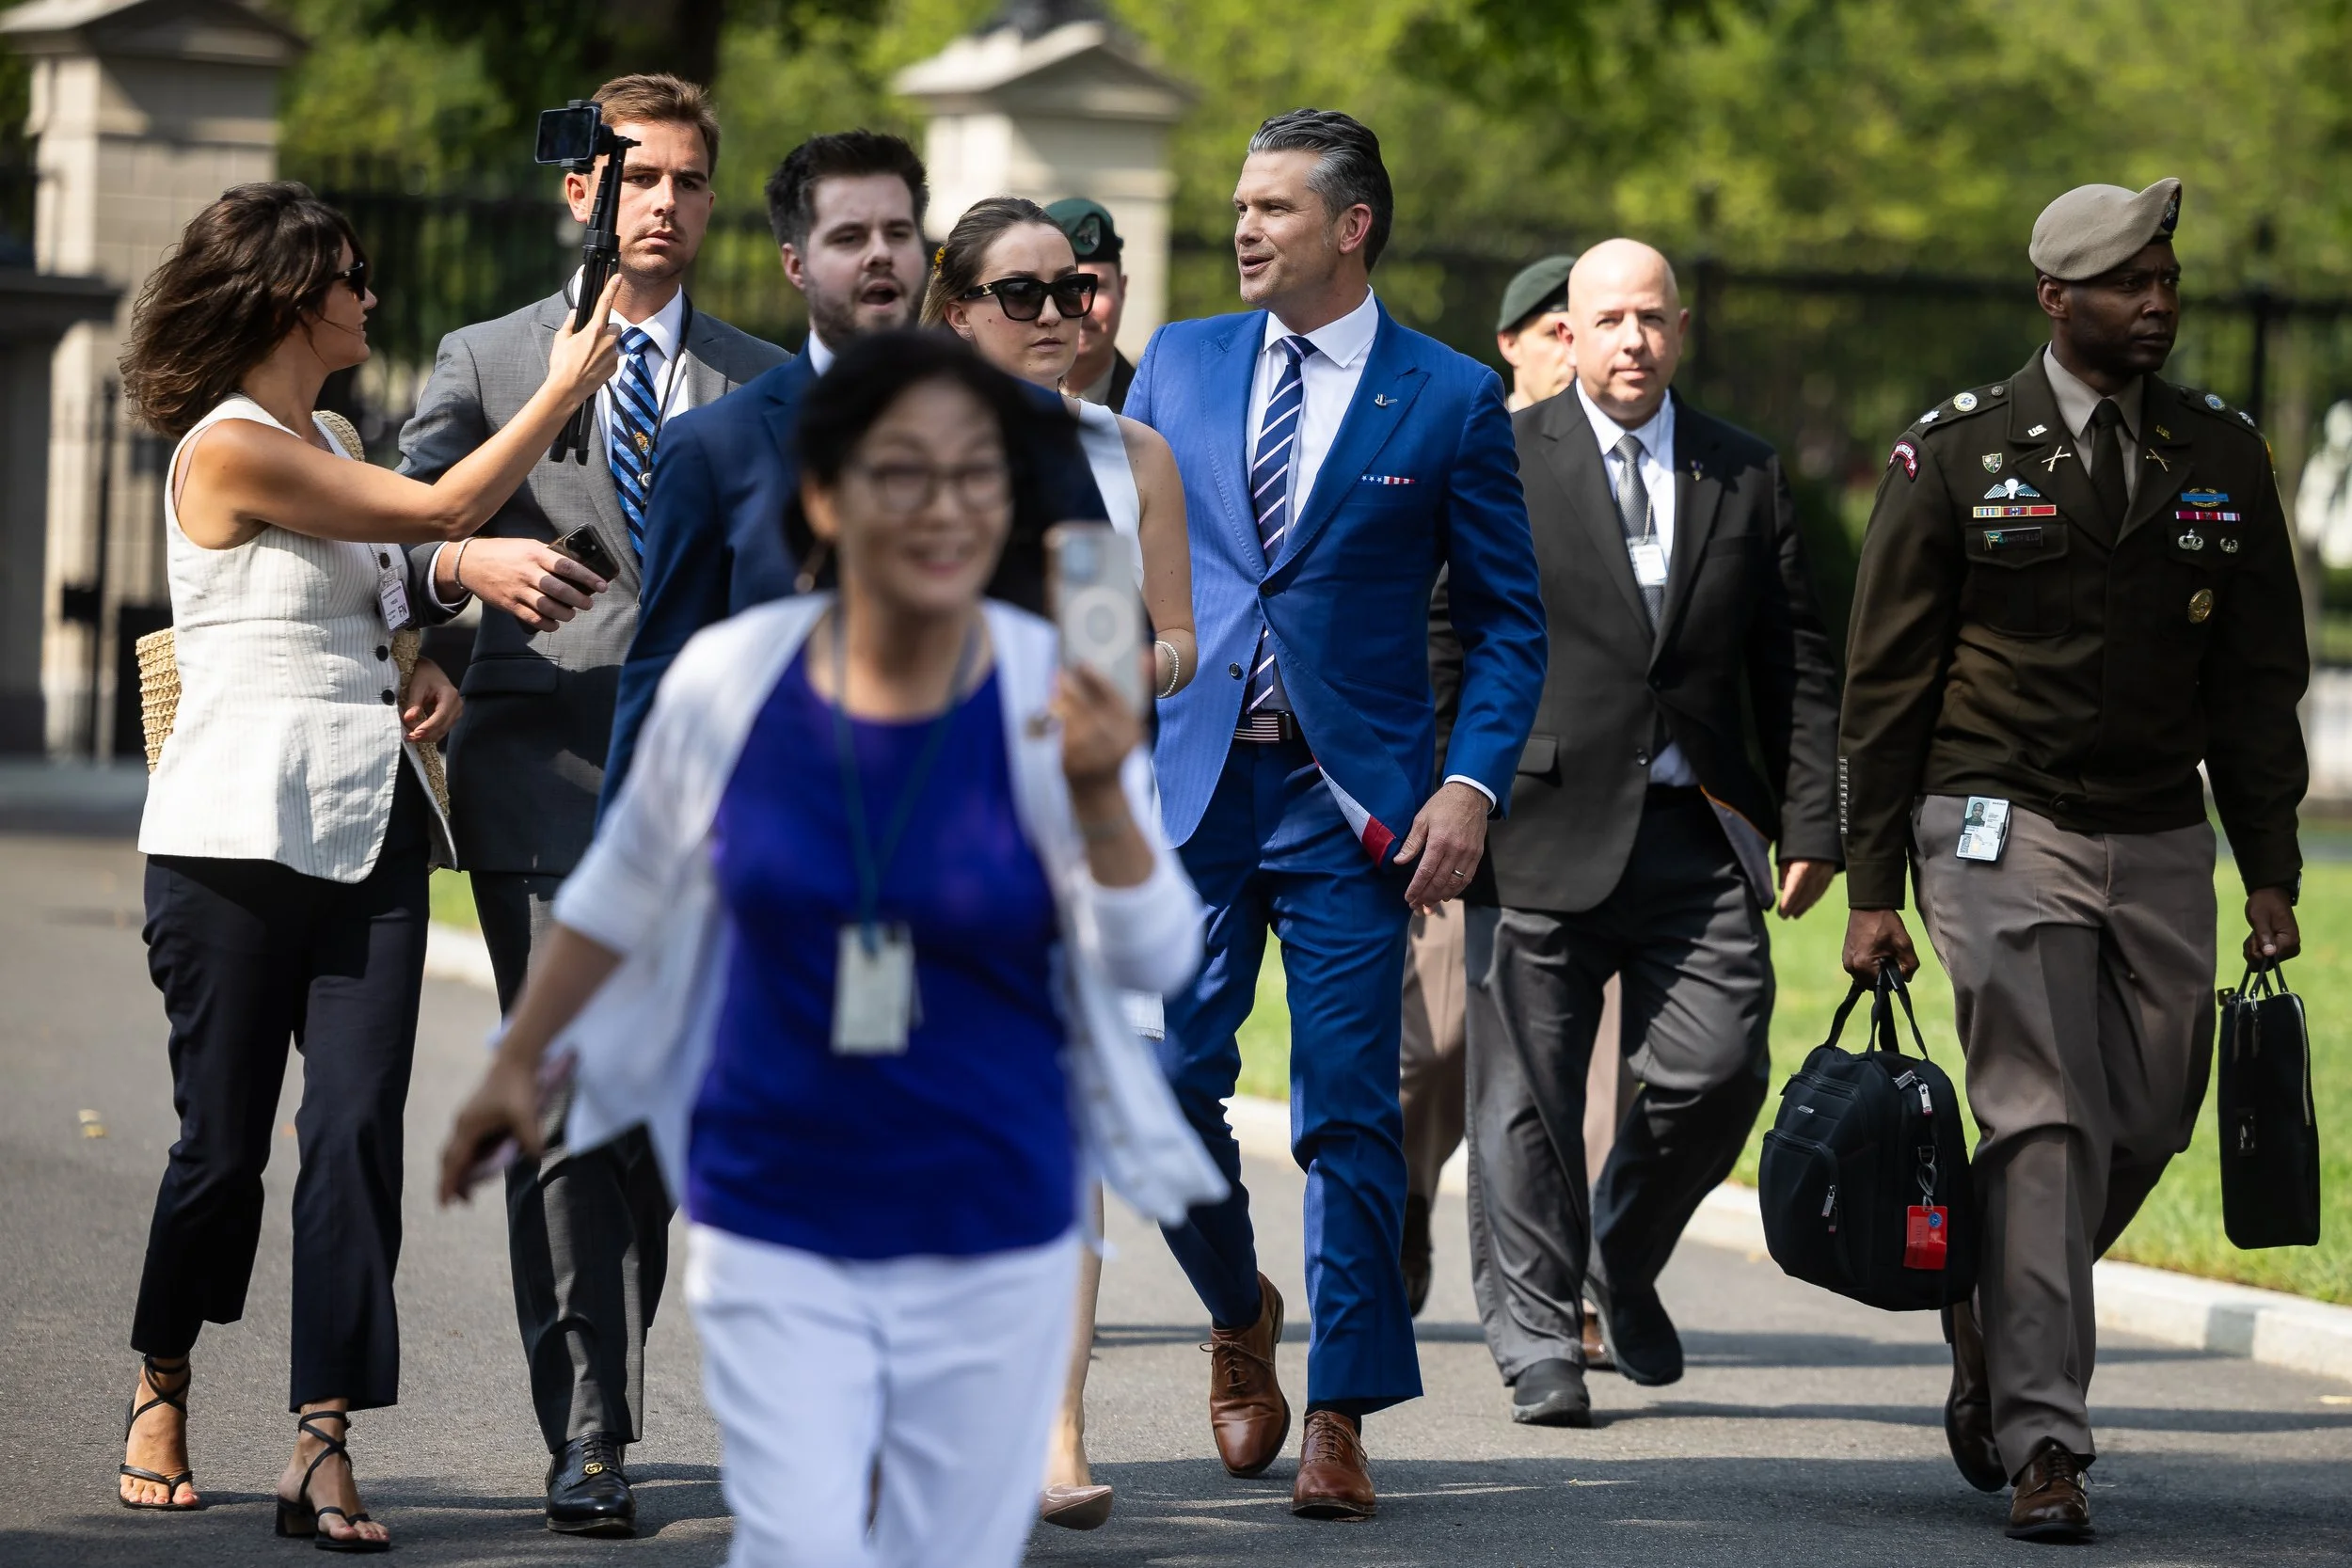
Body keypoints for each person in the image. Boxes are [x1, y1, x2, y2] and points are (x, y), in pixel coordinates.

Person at [437, 330, 1224, 1568]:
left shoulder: (1044, 686)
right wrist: (519, 1057)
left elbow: (1155, 944)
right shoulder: (726, 682)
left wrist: (1105, 797)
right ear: (822, 496)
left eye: (975, 476)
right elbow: (623, 886)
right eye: (901, 474)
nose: (946, 506)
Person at [114, 180, 618, 1548]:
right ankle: (163, 1372)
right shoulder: (225, 448)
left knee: (349, 1132)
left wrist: (443, 619)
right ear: (290, 295)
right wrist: (561, 383)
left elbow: (398, 571)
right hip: (228, 836)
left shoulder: (329, 429)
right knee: (221, 1154)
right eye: (349, 276)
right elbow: (441, 498)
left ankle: (321, 1439)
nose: (370, 296)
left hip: (376, 825)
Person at [1841, 178, 2308, 1543]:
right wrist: (1875, 885)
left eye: (2168, 278)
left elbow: (2259, 679)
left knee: (2151, 1108)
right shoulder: (1960, 455)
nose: (2158, 300)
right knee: (2042, 1115)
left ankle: (1990, 1295)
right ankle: (2047, 1436)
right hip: (1998, 822)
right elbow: (1884, 687)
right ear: (2058, 296)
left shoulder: (2223, 453)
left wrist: (2269, 862)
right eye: (2129, 282)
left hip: (2165, 828)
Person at [1126, 107, 1546, 1520]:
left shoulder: (1445, 397)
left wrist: (1471, 786)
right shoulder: (1176, 361)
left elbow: (1507, 625)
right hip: (1188, 790)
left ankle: (1345, 1409)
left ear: (1351, 225)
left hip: (1353, 808)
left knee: (1351, 1108)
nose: (1243, 226)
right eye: (1239, 206)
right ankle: (1237, 1301)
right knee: (1163, 1082)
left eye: (1273, 208)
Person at [395, 74, 787, 1537]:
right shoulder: (490, 354)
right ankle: (592, 1425)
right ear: (587, 193)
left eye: (689, 182)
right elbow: (400, 521)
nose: (665, 206)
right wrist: (460, 581)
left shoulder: (766, 380)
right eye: (641, 182)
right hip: (537, 762)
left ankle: (601, 1371)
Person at [1435, 238, 1841, 1427]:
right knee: (1523, 1097)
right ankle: (1534, 1338)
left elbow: (1797, 661)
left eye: (1651, 318)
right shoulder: (1503, 457)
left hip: (1697, 830)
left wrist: (1815, 814)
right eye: (1606, 319)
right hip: (1534, 820)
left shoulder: (1743, 472)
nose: (1630, 341)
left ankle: (1622, 1245)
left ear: (1680, 327)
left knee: (1721, 1067)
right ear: (1566, 330)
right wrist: (1449, 793)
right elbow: (1446, 638)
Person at [926, 193, 1200, 1529]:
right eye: (1023, 292)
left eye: (1076, 290)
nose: (1059, 315)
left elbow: (1152, 645)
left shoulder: (1121, 454)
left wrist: (1113, 668)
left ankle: (1055, 1426)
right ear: (958, 306)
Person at [600, 133, 1109, 805]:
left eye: (897, 232)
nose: (878, 253)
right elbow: (662, 675)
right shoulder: (713, 447)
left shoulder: (1031, 429)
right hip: (782, 844)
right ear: (795, 263)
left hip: (983, 844)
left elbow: (1105, 647)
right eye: (848, 237)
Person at [1399, 248, 1610, 1325]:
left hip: (1594, 823)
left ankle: (1563, 1287)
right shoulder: (1479, 440)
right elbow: (1447, 629)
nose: (1581, 347)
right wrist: (1447, 786)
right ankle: (1393, 1220)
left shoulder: (1632, 458)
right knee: (1430, 1054)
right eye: (1557, 329)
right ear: (1518, 342)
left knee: (1583, 1083)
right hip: (1471, 799)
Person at [1046, 197, 1137, 410]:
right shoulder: (994, 405)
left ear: (1122, 290)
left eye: (1095, 288)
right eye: (1067, 287)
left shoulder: (1152, 414)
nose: (1080, 309)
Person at [1495, 253, 1579, 411]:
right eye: (1555, 334)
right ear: (1510, 345)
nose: (1575, 354)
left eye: (1583, 336)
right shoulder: (1477, 434)